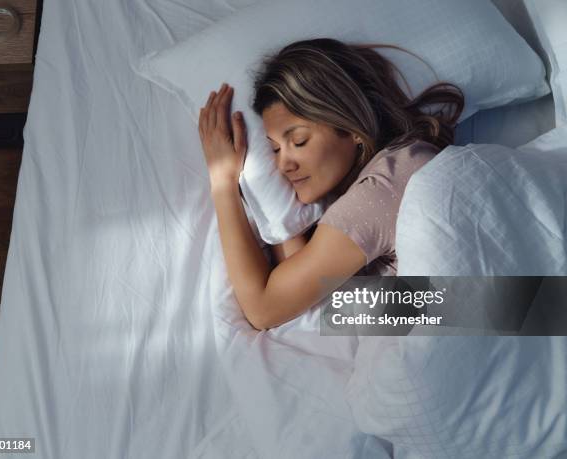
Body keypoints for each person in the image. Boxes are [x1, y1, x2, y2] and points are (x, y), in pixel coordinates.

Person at [198, 38, 463, 330]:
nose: (284, 164)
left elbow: (264, 309)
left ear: (352, 128)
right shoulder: (409, 159)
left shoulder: (382, 189)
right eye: (274, 149)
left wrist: (222, 181)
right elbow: (313, 289)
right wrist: (284, 220)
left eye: (298, 141)